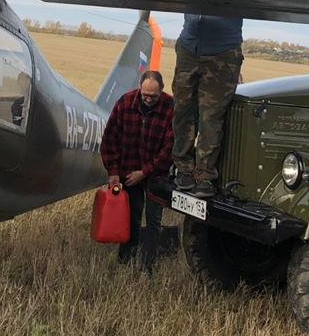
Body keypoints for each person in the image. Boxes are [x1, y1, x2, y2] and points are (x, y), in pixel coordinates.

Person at [99, 69, 174, 271]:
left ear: (162, 91)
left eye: (153, 96)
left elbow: (170, 149)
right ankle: (126, 260)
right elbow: (110, 139)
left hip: (156, 175)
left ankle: (148, 265)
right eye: (145, 95)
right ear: (139, 88)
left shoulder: (171, 107)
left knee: (153, 221)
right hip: (128, 172)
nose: (148, 99)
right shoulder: (125, 103)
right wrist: (113, 172)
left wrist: (145, 172)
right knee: (130, 218)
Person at [171, 14, 243, 198]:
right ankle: (184, 168)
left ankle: (205, 176)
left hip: (223, 50)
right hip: (189, 46)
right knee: (182, 111)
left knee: (210, 117)